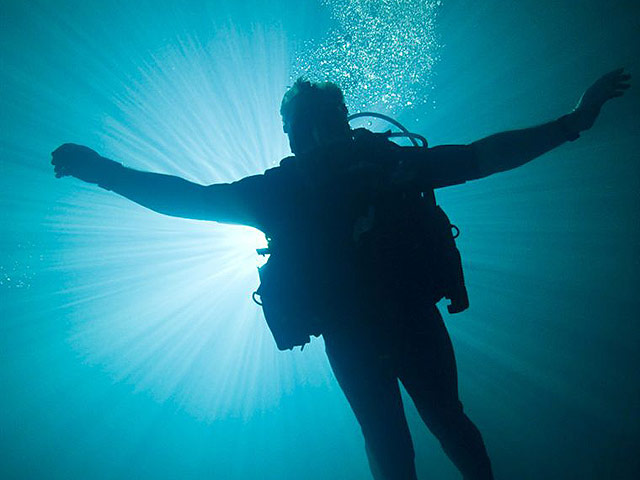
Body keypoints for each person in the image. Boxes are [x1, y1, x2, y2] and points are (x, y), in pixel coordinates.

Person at [51, 68, 630, 480]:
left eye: (324, 122)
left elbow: (190, 200)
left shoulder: (348, 176)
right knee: (422, 432)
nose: (323, 135)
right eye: (317, 124)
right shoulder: (346, 176)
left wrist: (574, 121)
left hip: (374, 328)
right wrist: (572, 122)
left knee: (420, 433)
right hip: (382, 326)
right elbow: (481, 157)